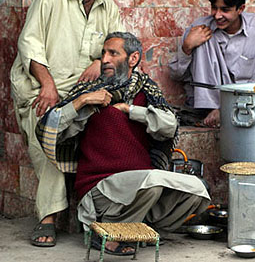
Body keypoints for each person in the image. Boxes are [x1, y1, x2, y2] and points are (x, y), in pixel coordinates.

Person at [36, 32, 210, 255]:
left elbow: (169, 125)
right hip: (101, 187)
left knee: (198, 189)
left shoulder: (147, 91)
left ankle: (140, 228)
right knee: (153, 183)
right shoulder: (90, 93)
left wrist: (131, 111)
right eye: (103, 54)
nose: (105, 60)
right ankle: (107, 233)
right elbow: (52, 130)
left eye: (113, 53)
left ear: (133, 58)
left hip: (141, 186)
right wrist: (81, 102)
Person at [9, 0, 124, 247]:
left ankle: (105, 215)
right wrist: (47, 85)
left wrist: (103, 61)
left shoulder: (108, 7)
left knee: (113, 129)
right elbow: (29, 45)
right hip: (40, 87)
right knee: (48, 131)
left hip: (83, 94)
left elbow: (121, 50)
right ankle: (47, 218)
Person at [169, 0, 255, 127]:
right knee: (204, 39)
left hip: (244, 102)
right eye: (214, 8)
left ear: (240, 9)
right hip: (204, 107)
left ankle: (222, 111)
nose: (217, 15)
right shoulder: (200, 28)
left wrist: (228, 107)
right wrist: (187, 47)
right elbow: (176, 74)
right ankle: (213, 108)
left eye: (225, 10)